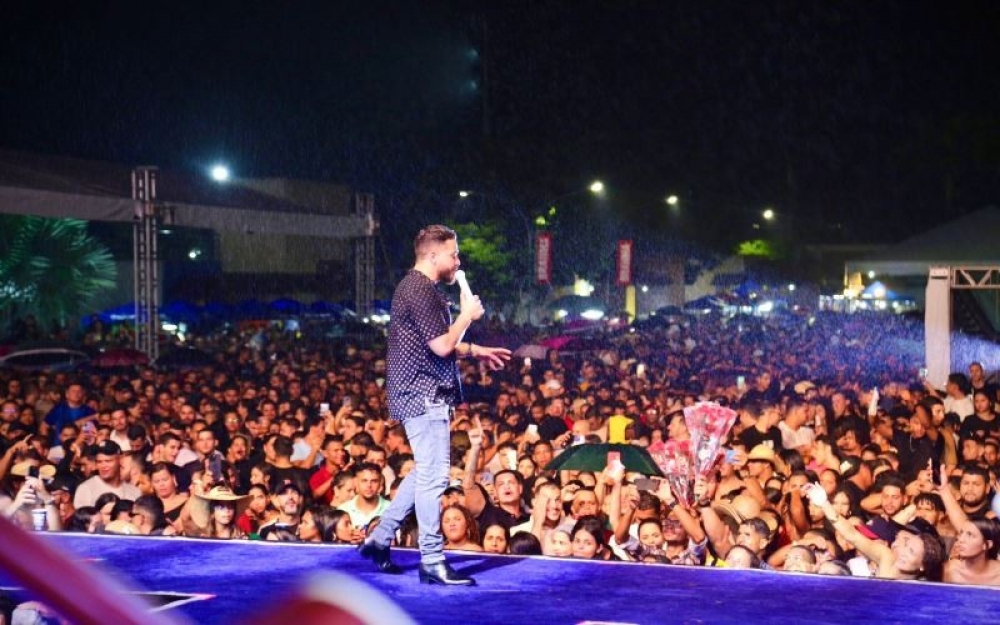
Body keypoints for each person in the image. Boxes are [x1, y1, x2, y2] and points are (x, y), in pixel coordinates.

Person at [358, 225, 510, 586]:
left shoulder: (417, 288)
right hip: (422, 392)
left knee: (424, 471)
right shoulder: (419, 289)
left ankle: (379, 540)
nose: (458, 261)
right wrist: (467, 316)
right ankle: (431, 559)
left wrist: (476, 349)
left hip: (421, 390)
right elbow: (442, 346)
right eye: (453, 254)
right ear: (432, 255)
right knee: (435, 476)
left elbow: (436, 343)